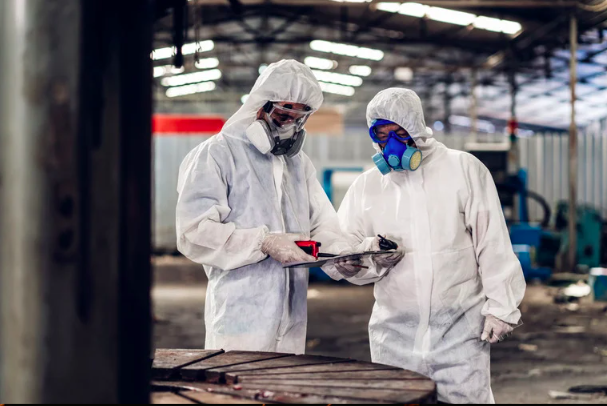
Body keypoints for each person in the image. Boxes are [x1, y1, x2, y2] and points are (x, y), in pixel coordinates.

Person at [324, 88, 526, 404]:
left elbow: (493, 243)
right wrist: (355, 261)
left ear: (416, 127)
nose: (389, 141)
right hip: (393, 335)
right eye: (381, 132)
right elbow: (342, 247)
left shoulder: (463, 169)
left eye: (398, 131)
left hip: (459, 332)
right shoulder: (367, 185)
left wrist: (502, 307)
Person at [176, 60, 351, 354]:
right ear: (261, 105)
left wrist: (342, 255)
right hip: (239, 315)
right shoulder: (217, 154)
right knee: (235, 394)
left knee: (284, 393)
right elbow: (193, 231)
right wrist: (263, 242)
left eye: (299, 117)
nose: (290, 125)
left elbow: (322, 223)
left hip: (293, 317)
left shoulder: (297, 164)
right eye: (284, 114)